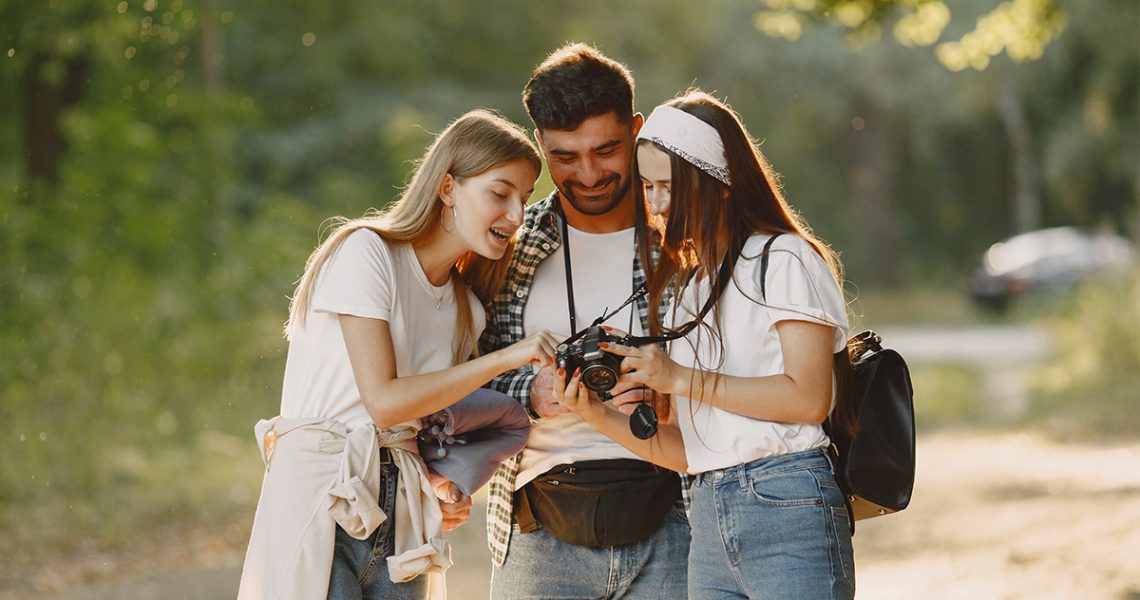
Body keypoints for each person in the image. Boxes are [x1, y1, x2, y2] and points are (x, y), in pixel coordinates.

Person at [237, 109, 560, 600]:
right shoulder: (367, 253)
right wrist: (504, 359)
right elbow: (383, 402)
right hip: (325, 492)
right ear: (448, 188)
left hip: (403, 511)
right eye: (500, 193)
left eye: (524, 199)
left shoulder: (464, 310)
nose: (516, 216)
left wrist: (443, 483)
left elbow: (420, 421)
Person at [556, 89, 858, 599]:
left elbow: (810, 399)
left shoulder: (782, 259)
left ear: (717, 183)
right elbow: (688, 450)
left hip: (787, 502)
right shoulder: (689, 289)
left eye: (668, 187)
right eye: (647, 187)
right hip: (705, 511)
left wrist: (678, 378)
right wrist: (595, 415)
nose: (654, 205)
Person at [479, 43, 691, 600]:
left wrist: (672, 387)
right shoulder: (507, 247)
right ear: (541, 147)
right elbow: (467, 375)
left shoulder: (687, 240)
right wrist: (535, 392)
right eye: (565, 157)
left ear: (637, 131)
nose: (589, 174)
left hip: (678, 518)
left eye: (607, 149)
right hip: (537, 528)